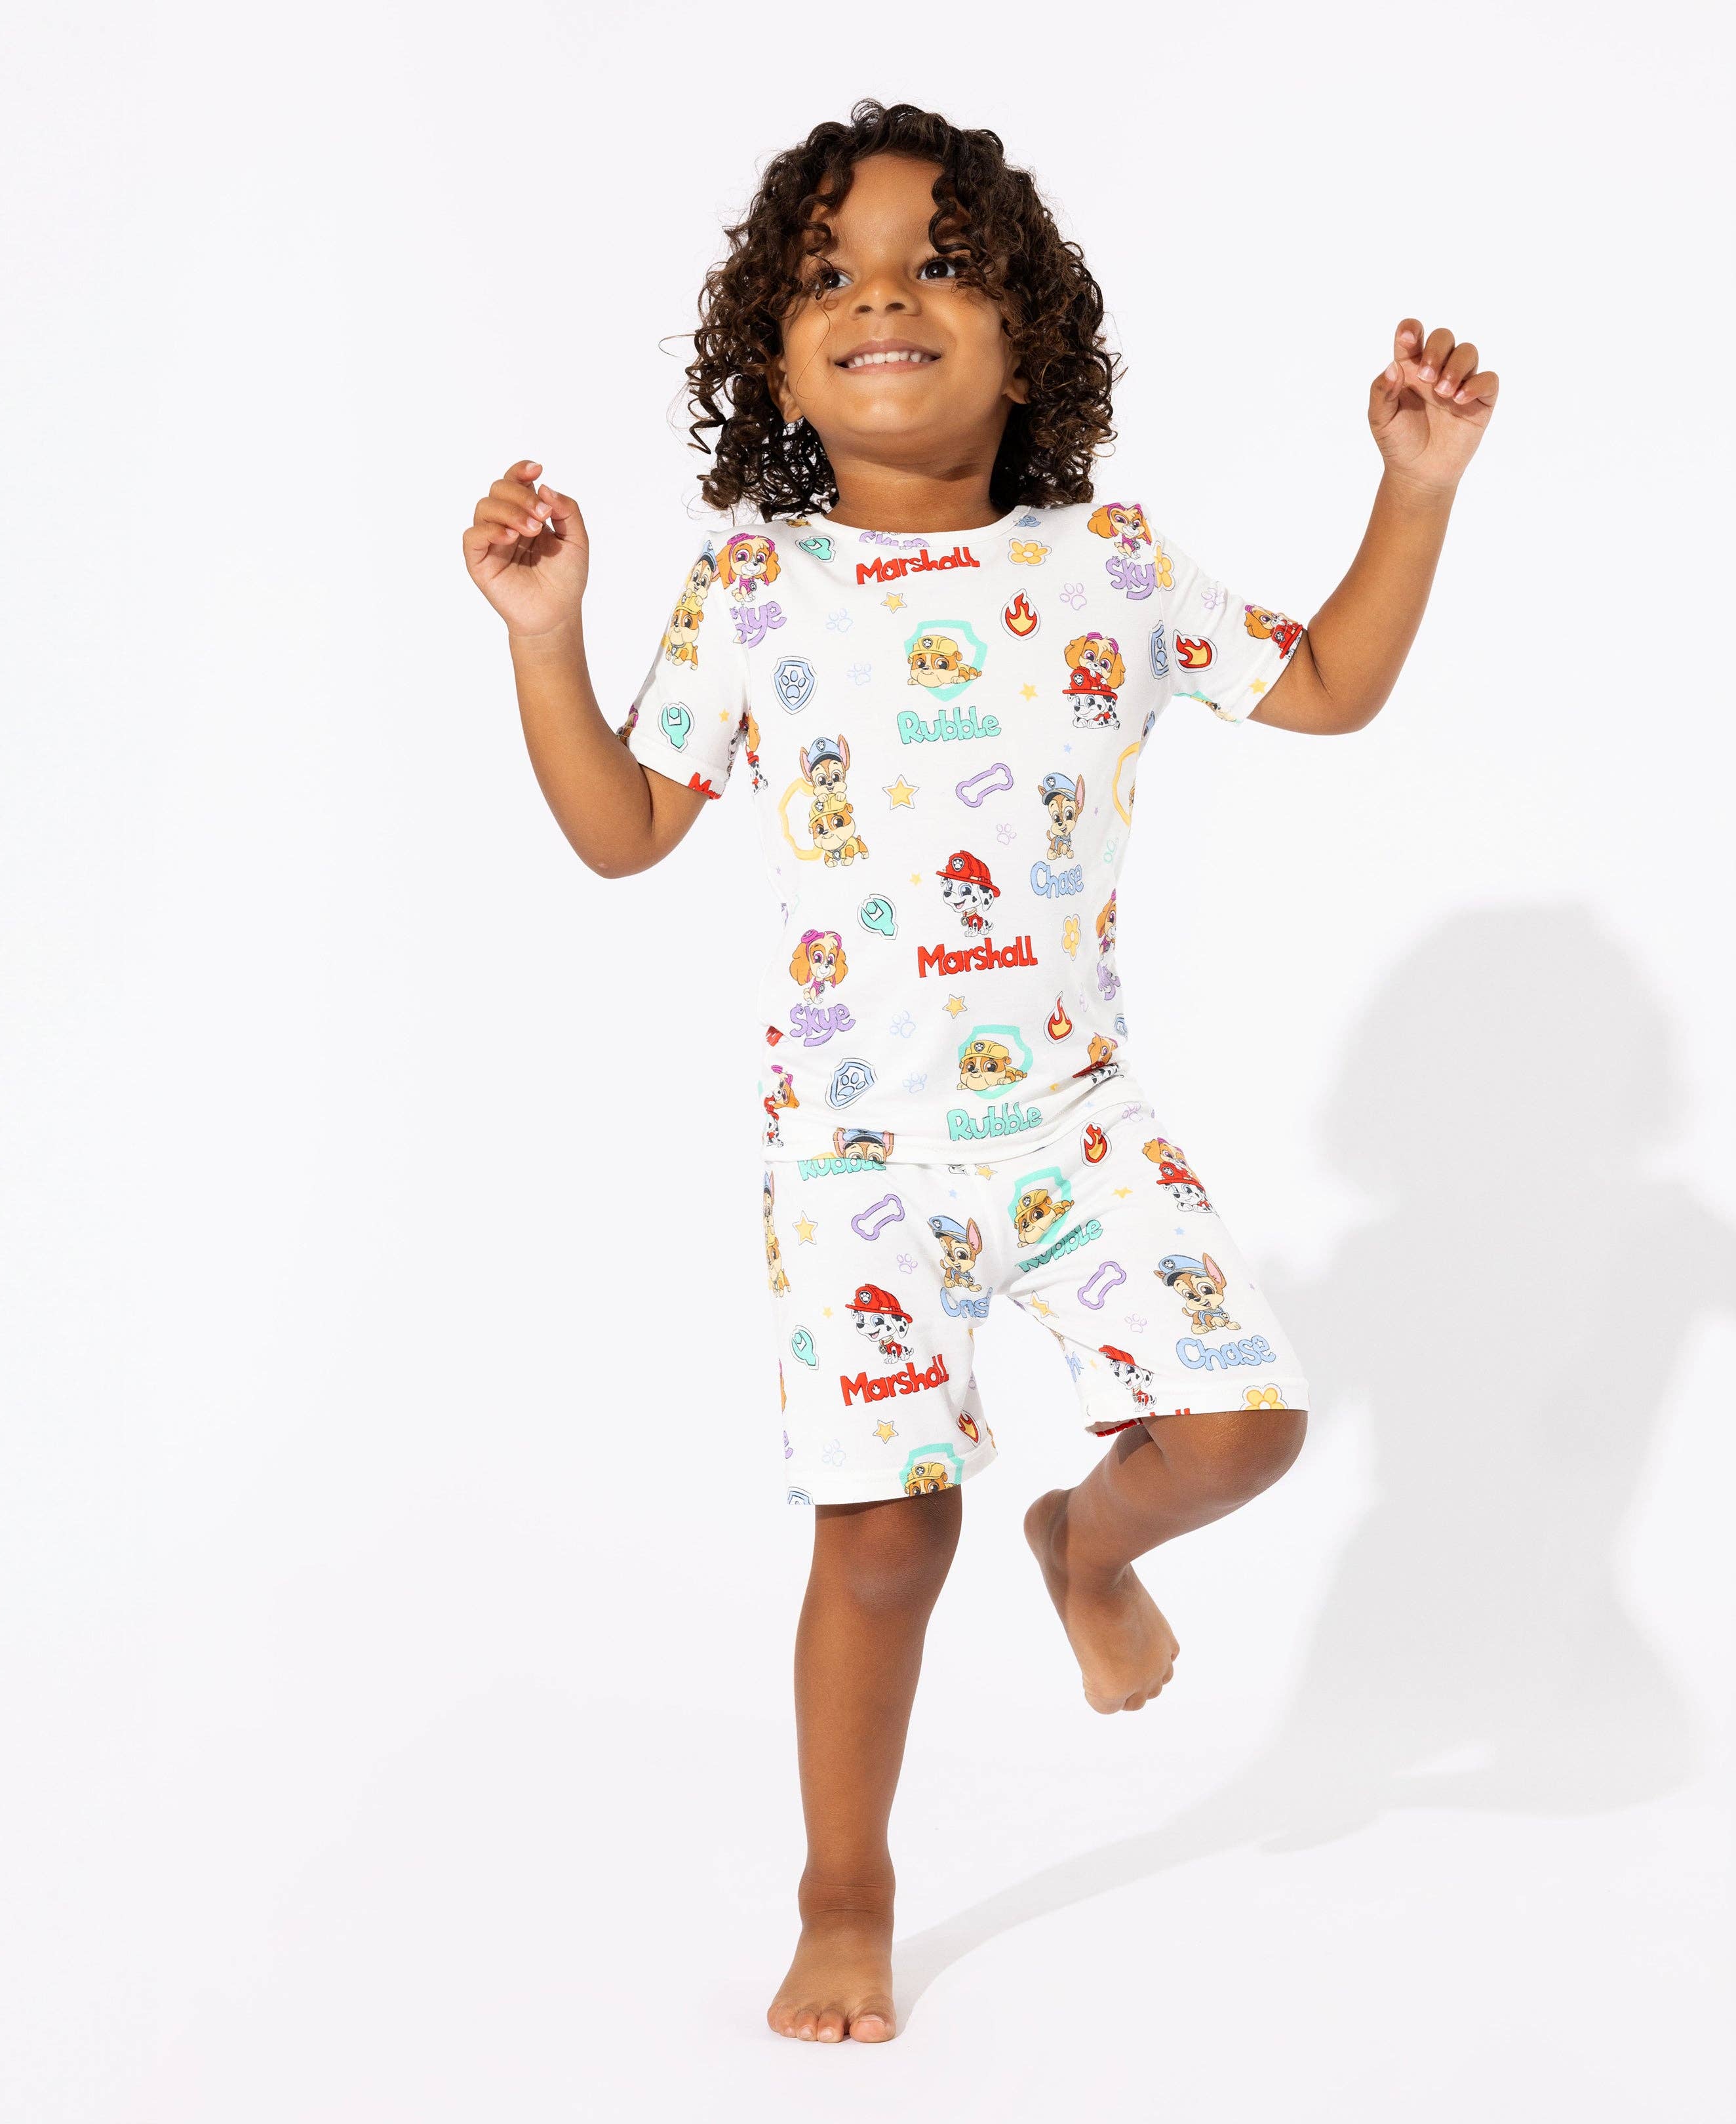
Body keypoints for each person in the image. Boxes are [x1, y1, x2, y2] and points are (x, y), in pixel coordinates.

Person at [460, 99, 1498, 2046]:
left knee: (1242, 1432)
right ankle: (845, 1892)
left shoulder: (1110, 564)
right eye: (830, 278)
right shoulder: (752, 586)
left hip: (1079, 1128)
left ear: (1031, 344)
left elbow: (1330, 688)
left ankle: (1084, 1541)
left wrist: (1415, 490)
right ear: (774, 363)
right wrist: (544, 635)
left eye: (938, 266)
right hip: (859, 1155)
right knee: (884, 1538)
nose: (882, 299)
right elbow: (622, 830)